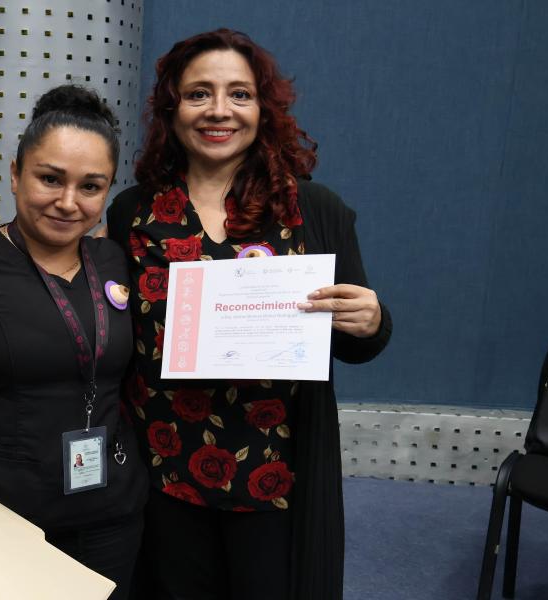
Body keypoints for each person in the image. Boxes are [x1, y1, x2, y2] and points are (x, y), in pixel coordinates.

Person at [106, 29, 392, 600]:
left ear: (264, 109)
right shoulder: (132, 213)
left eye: (239, 94)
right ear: (172, 108)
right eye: (199, 94)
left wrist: (373, 322)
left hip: (273, 474)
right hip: (163, 465)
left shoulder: (312, 209)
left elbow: (355, 340)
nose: (219, 110)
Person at [0, 85, 148, 600]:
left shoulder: (115, 261)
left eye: (90, 186)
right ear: (15, 173)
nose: (68, 202)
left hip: (109, 514)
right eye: (50, 179)